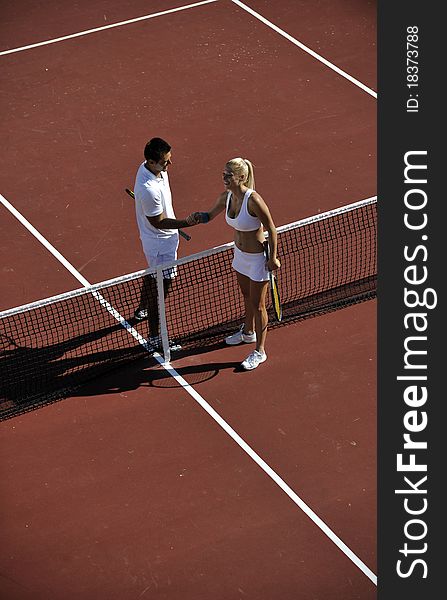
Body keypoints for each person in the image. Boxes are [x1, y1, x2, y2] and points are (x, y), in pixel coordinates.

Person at [193, 158, 281, 370]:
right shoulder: (226, 197)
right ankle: (248, 333)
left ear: (241, 177)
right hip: (240, 255)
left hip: (257, 259)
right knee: (246, 296)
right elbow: (209, 215)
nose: (224, 178)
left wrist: (272, 258)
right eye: (223, 174)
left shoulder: (254, 200)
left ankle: (260, 351)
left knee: (259, 305)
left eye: (228, 175)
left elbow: (272, 228)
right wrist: (195, 218)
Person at [133, 137, 197, 350]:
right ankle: (154, 337)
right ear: (151, 162)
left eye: (169, 159)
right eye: (165, 162)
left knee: (153, 277)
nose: (169, 165)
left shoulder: (152, 170)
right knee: (160, 290)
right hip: (160, 244)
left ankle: (141, 309)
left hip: (164, 240)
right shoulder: (148, 188)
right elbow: (159, 222)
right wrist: (186, 222)